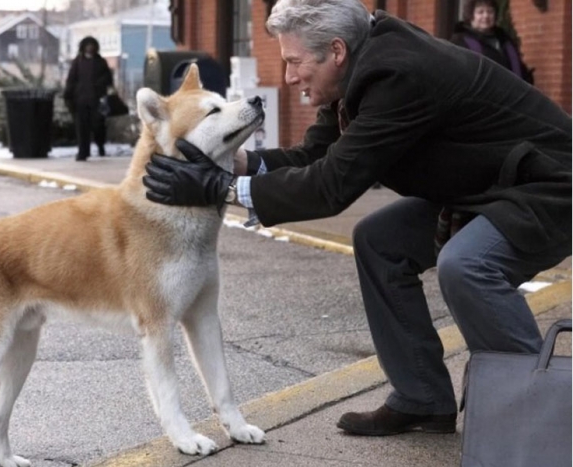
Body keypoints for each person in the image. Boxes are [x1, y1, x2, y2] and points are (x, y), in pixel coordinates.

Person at [142, 0, 571, 437]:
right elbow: (315, 156)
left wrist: (218, 190)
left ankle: (546, 412)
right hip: (488, 189)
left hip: (549, 186)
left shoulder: (398, 75)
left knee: (467, 264)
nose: (289, 78)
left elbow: (331, 186)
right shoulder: (360, 66)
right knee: (378, 240)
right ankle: (422, 397)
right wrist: (233, 163)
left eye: (294, 62)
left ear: (336, 50)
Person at [451, 0, 534, 84]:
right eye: (480, 12)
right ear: (471, 16)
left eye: (490, 11)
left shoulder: (505, 41)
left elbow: (520, 69)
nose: (486, 16)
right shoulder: (460, 42)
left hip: (511, 93)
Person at [63, 36, 114, 161]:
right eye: (87, 45)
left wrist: (99, 87)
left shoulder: (101, 62)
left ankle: (100, 145)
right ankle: (83, 152)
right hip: (80, 100)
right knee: (81, 127)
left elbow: (108, 79)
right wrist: (68, 95)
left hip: (96, 100)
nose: (90, 47)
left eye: (92, 45)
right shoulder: (77, 62)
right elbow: (71, 80)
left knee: (98, 126)